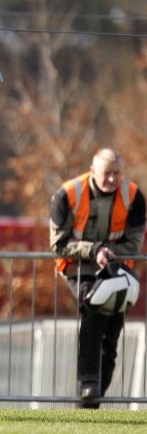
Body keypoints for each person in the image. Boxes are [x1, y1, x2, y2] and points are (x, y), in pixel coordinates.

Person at [50, 147, 146, 409]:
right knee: (94, 306)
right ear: (92, 171)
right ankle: (87, 384)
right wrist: (93, 250)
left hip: (116, 268)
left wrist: (109, 252)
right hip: (77, 267)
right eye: (107, 174)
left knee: (112, 330)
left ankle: (95, 397)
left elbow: (135, 243)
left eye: (117, 174)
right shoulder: (67, 194)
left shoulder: (134, 196)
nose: (113, 180)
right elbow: (58, 243)